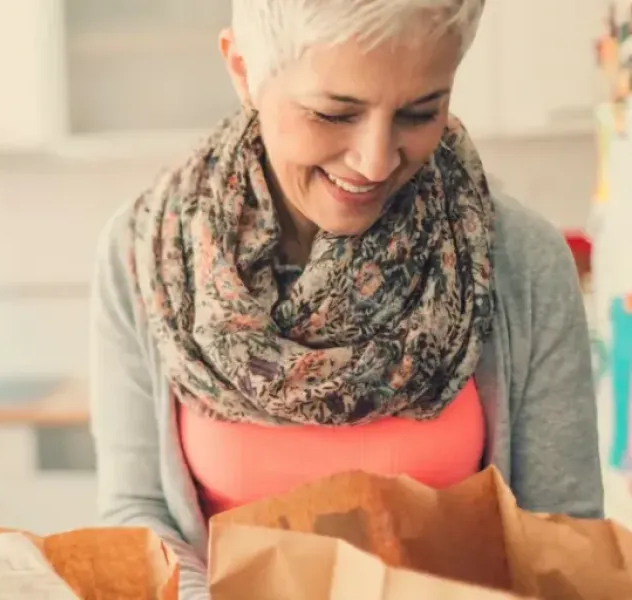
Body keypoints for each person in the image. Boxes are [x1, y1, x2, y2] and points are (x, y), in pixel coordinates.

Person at [89, 0, 603, 597]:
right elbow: (138, 512)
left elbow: (563, 537)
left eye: (419, 112)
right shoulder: (147, 254)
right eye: (334, 114)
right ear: (243, 69)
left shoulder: (517, 258)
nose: (376, 159)